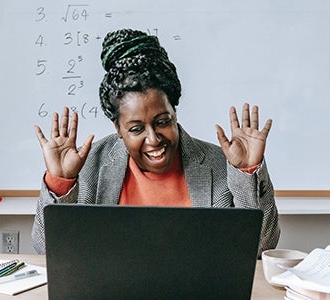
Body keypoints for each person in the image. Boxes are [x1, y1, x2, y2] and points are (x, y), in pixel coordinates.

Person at [31, 28, 279, 254]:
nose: (153, 139)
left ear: (174, 112)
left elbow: (260, 248)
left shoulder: (220, 165)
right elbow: (46, 252)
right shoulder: (88, 166)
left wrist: (247, 172)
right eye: (137, 128)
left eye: (162, 122)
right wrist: (61, 184)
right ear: (117, 127)